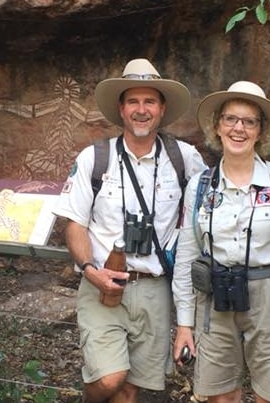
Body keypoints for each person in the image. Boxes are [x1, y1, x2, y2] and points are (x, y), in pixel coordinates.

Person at [54, 58, 206, 402]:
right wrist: (91, 272)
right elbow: (74, 223)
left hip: (155, 287)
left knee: (131, 388)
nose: (141, 110)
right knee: (110, 379)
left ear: (162, 108)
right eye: (133, 101)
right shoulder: (95, 158)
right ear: (121, 109)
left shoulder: (185, 159)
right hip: (102, 284)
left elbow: (202, 218)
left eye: (149, 101)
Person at [171, 81, 270, 403]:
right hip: (216, 299)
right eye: (231, 119)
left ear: (260, 131)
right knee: (219, 396)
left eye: (249, 121)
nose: (239, 128)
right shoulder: (201, 185)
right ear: (217, 125)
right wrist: (184, 324)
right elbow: (187, 255)